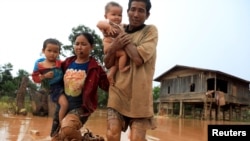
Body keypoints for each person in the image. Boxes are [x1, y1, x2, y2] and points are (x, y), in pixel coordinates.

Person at [104, 0, 158, 141]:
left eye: (141, 11)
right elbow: (108, 64)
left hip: (140, 98)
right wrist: (114, 46)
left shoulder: (150, 31)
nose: (136, 14)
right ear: (127, 12)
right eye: (132, 9)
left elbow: (138, 58)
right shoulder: (116, 31)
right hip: (118, 92)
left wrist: (121, 36)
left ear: (147, 15)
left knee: (137, 139)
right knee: (112, 133)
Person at [50, 32, 110, 137]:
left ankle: (88, 139)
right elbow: (56, 80)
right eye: (77, 44)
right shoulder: (67, 63)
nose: (79, 47)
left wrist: (113, 72)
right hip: (63, 106)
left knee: (68, 128)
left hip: (80, 108)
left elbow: (107, 86)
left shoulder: (95, 68)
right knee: (57, 137)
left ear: (91, 47)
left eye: (83, 44)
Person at [32, 38, 68, 127]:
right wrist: (45, 76)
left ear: (59, 52)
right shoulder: (39, 64)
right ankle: (62, 125)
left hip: (65, 86)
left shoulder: (60, 63)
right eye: (49, 50)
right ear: (43, 51)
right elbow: (35, 79)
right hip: (53, 88)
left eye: (55, 51)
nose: (52, 53)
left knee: (69, 104)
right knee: (64, 104)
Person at [97, 1, 130, 85]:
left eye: (120, 15)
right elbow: (98, 24)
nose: (117, 17)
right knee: (123, 54)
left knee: (115, 63)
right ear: (106, 16)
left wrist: (126, 26)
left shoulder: (120, 25)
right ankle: (122, 68)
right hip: (109, 46)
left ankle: (110, 74)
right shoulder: (108, 23)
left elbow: (125, 27)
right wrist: (107, 27)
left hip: (115, 49)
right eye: (113, 14)